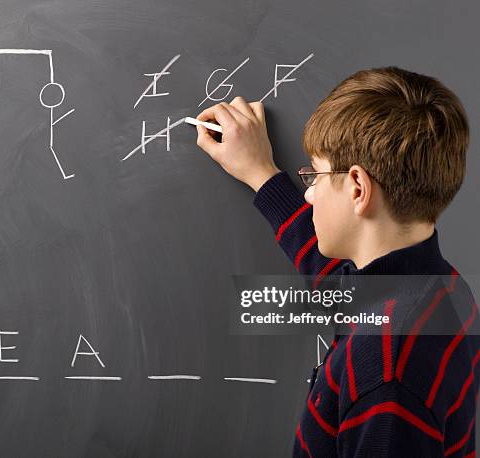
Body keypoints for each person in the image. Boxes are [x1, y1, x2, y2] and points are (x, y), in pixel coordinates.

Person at [194, 67, 479, 457]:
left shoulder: (386, 371)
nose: (309, 194)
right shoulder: (440, 288)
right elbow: (340, 288)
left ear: (358, 188)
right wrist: (263, 175)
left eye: (316, 175)